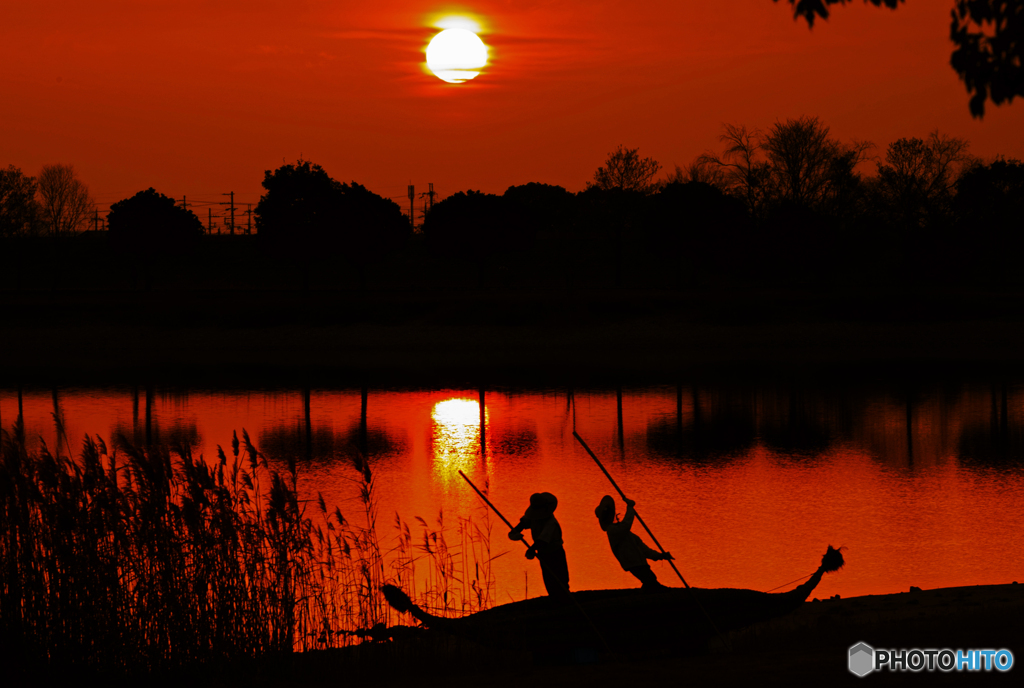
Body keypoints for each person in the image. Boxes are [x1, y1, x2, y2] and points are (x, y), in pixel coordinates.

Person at [595, 495, 673, 591]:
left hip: (640, 562)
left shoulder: (625, 533)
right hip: (632, 563)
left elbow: (644, 549)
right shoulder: (612, 531)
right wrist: (630, 508)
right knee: (650, 580)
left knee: (650, 581)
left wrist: (660, 556)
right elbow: (627, 524)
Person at [508, 492, 571, 602]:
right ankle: (555, 599)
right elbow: (521, 525)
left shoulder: (551, 523)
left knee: (561, 577)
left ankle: (565, 599)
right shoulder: (533, 517)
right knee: (548, 578)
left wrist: (531, 550)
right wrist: (514, 533)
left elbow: (542, 540)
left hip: (555, 552)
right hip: (543, 553)